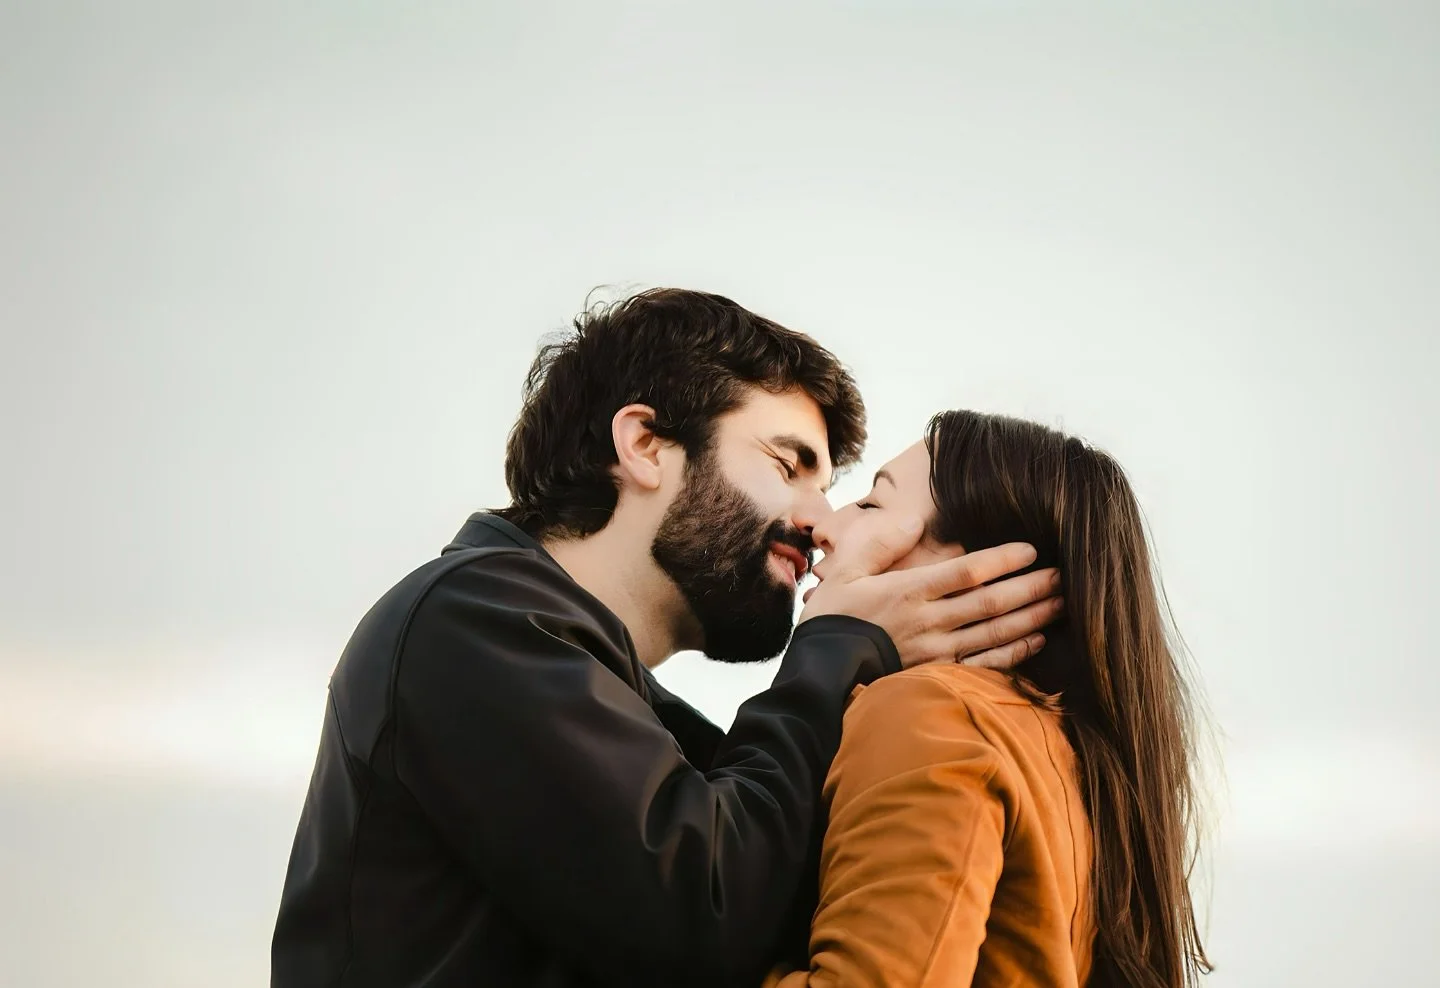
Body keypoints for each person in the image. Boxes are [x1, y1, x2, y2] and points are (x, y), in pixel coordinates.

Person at [270, 291, 1062, 988]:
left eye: (830, 489)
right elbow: (706, 918)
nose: (821, 523)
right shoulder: (470, 620)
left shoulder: (623, 703)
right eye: (790, 466)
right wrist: (839, 644)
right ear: (645, 443)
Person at [767, 409, 1213, 988]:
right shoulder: (1053, 747)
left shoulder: (930, 712)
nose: (826, 527)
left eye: (874, 504)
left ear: (976, 572)